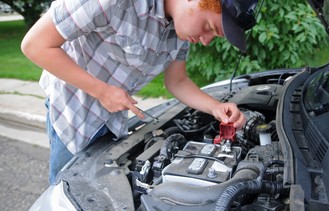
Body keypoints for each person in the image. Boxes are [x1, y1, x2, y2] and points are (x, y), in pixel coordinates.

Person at [21, 0, 257, 184]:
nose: (206, 41)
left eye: (213, 36)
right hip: (73, 117)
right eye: (209, 27)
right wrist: (102, 91)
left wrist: (214, 107)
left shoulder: (179, 33)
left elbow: (178, 81)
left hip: (114, 119)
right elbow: (35, 45)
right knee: (69, 192)